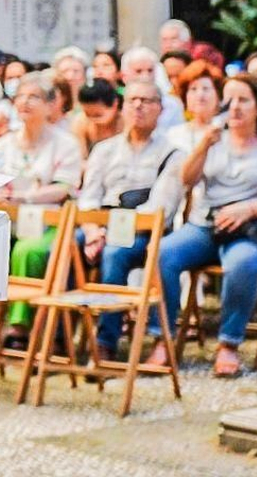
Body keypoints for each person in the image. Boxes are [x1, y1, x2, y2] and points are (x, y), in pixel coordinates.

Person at [148, 74, 257, 377]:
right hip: (206, 224)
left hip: (251, 229)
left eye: (244, 100)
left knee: (243, 262)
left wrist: (249, 208)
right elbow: (187, 181)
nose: (235, 108)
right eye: (229, 101)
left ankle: (229, 344)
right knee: (163, 252)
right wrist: (203, 145)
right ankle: (162, 336)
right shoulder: (212, 138)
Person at [75, 80, 184, 360]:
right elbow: (88, 197)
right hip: (99, 225)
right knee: (61, 247)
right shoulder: (104, 149)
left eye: (147, 101)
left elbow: (160, 209)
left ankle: (105, 341)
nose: (138, 106)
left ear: (160, 109)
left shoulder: (173, 154)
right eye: (132, 100)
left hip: (142, 231)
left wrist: (107, 232)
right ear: (122, 107)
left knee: (115, 253)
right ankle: (57, 335)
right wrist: (91, 229)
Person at [0, 73, 84, 349]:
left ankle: (19, 327)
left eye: (34, 97)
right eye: (20, 96)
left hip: (48, 223)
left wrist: (24, 197)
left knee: (27, 251)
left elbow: (65, 187)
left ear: (51, 105)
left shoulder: (65, 143)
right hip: (7, 221)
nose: (25, 102)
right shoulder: (3, 143)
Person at [166, 59, 221, 154]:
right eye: (193, 89)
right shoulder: (173, 134)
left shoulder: (226, 132)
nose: (200, 95)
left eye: (206, 89)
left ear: (218, 96)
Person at [122, 46, 183, 131]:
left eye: (150, 70)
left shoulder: (172, 105)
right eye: (138, 71)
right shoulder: (117, 103)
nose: (145, 76)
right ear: (124, 76)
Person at [72, 79, 123, 156]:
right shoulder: (81, 122)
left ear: (115, 105)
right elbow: (79, 160)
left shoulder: (126, 122)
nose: (92, 119)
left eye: (98, 115)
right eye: (88, 114)